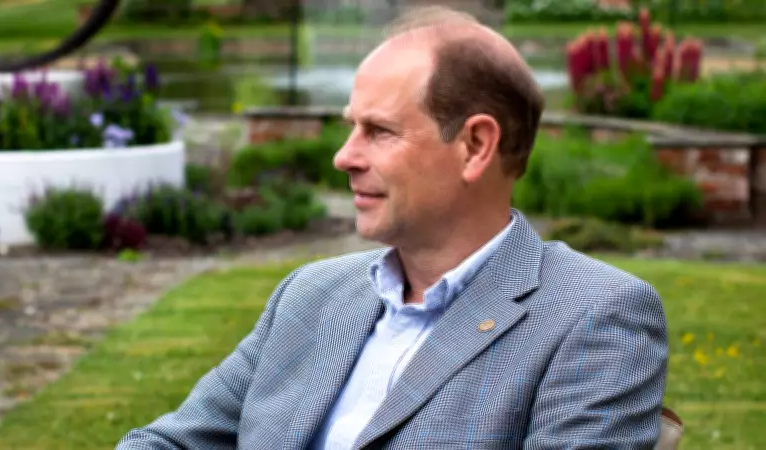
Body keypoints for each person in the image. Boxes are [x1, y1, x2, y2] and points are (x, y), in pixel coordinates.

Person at [116, 6, 669, 449]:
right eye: (350, 127)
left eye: (379, 131)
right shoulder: (310, 295)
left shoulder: (594, 318)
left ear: (475, 146)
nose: (343, 156)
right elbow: (169, 442)